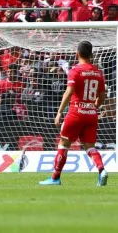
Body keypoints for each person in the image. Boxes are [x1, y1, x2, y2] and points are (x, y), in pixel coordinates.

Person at [39, 41, 108, 186]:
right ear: (91, 54)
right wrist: (94, 106)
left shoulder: (75, 71)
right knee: (90, 147)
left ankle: (55, 178)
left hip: (75, 113)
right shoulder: (98, 73)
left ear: (77, 54)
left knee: (63, 144)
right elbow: (102, 96)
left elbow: (69, 92)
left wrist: (59, 112)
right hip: (91, 114)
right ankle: (101, 170)